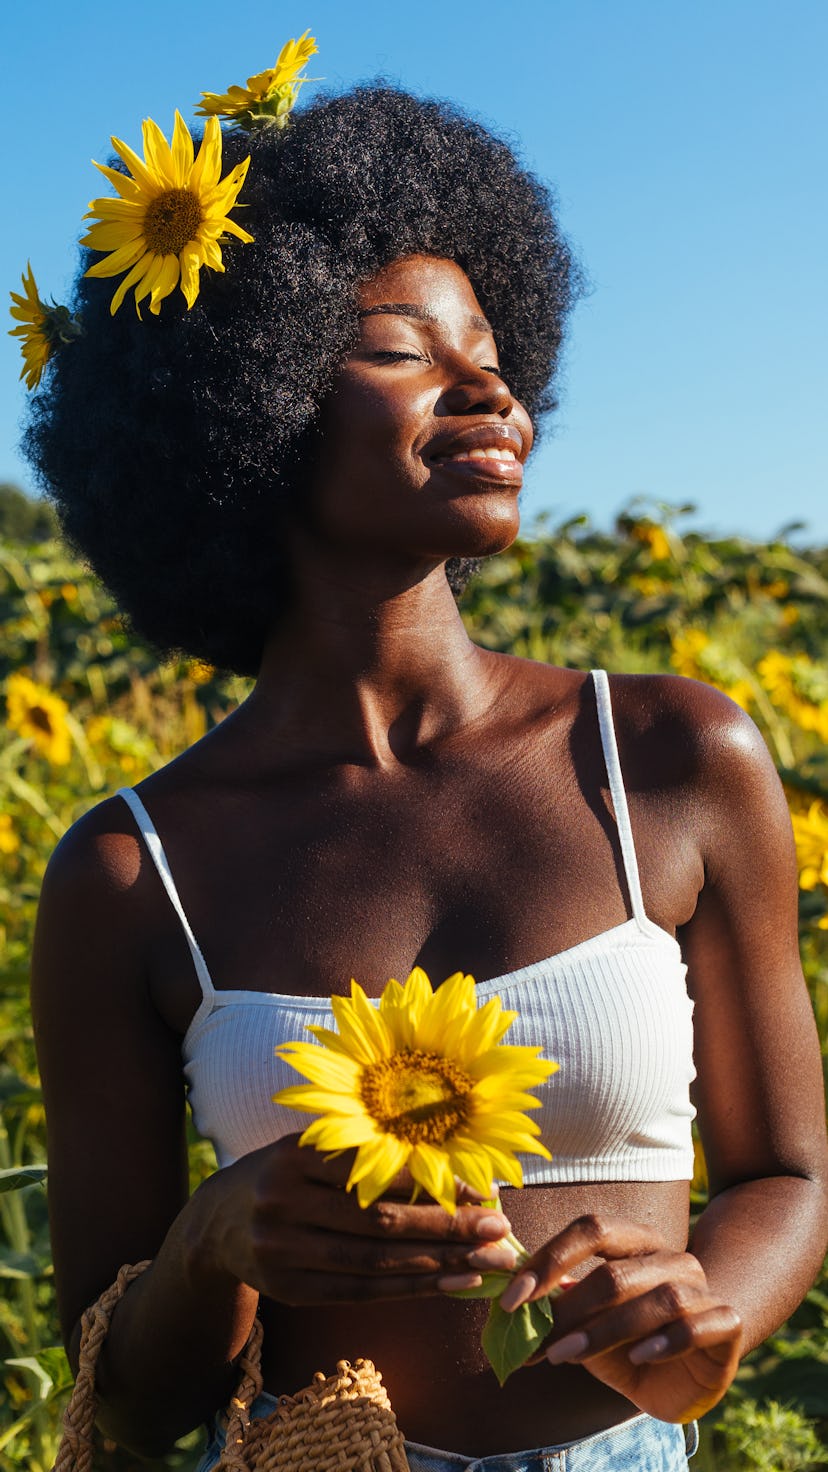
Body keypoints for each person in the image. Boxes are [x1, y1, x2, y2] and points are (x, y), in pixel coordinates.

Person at [24, 78, 828, 1472]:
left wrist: (709, 1314)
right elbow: (133, 1406)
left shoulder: (670, 759)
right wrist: (213, 1244)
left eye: (495, 351)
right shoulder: (129, 872)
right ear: (247, 398)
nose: (492, 390)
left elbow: (789, 1176)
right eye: (405, 350)